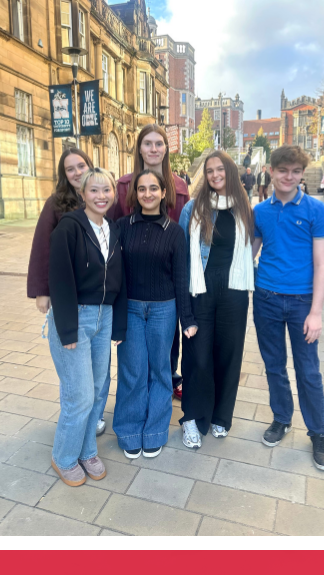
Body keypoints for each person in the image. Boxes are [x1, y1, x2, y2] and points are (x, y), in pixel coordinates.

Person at [251, 145, 324, 471]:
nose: (289, 177)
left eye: (296, 171)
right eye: (283, 170)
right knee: (274, 366)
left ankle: (319, 432)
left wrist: (316, 312)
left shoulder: (316, 210)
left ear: (302, 174)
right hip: (267, 299)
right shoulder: (260, 212)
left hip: (302, 303)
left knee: (308, 371)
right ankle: (281, 418)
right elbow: (250, 252)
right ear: (271, 171)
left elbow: (323, 264)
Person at [46, 168, 127, 486]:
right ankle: (64, 455)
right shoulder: (69, 228)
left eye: (106, 189)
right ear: (82, 194)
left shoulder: (114, 229)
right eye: (94, 190)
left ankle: (87, 450)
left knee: (97, 390)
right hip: (75, 317)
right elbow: (60, 280)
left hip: (103, 317)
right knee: (78, 393)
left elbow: (119, 279)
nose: (101, 196)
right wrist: (66, 329)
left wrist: (117, 324)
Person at [25, 148, 109, 437]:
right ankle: (73, 417)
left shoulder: (100, 198)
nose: (75, 172)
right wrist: (41, 291)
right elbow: (42, 248)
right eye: (69, 169)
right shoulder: (56, 204)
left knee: (96, 372)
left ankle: (91, 417)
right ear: (64, 174)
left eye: (80, 165)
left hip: (95, 299)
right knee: (74, 372)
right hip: (68, 298)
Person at [114, 169, 197, 458]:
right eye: (141, 189)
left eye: (153, 188)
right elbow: (115, 273)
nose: (147, 194)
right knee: (132, 370)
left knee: (160, 371)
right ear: (134, 194)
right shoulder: (122, 226)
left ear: (164, 193)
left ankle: (155, 431)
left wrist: (187, 319)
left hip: (164, 309)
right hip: (132, 309)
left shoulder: (174, 232)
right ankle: (128, 430)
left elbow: (181, 277)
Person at [177, 150, 255, 448]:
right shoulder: (194, 209)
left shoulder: (244, 207)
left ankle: (221, 417)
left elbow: (251, 246)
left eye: (220, 169)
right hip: (202, 291)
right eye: (209, 171)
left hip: (234, 292)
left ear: (230, 172)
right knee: (197, 356)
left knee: (229, 354)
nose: (214, 175)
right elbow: (184, 257)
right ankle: (192, 419)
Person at [109, 125, 192, 399]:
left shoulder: (180, 188)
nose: (154, 149)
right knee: (133, 345)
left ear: (166, 149)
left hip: (165, 279)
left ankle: (165, 382)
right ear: (140, 149)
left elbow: (186, 231)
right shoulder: (123, 186)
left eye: (159, 143)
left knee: (168, 340)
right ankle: (137, 390)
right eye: (148, 143)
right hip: (132, 279)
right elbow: (111, 231)